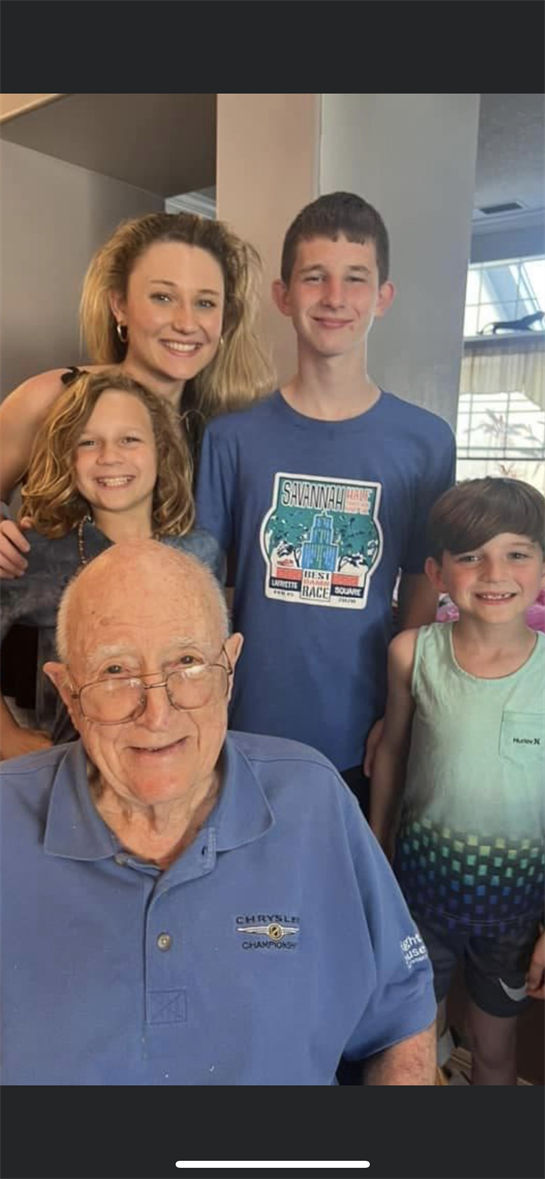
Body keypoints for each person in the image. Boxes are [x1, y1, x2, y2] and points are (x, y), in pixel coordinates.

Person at [0, 541, 436, 1086]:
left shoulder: (313, 800)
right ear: (69, 692)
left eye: (187, 663)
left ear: (228, 668)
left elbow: (402, 1019)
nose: (157, 714)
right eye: (115, 671)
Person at [195, 191, 456, 810]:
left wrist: (398, 710)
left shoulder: (425, 442)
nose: (335, 297)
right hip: (241, 727)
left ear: (382, 298)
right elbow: (204, 588)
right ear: (284, 296)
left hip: (360, 732)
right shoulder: (231, 437)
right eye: (315, 278)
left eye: (355, 279)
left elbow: (423, 583)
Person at [370, 477, 545, 1085]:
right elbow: (391, 754)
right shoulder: (410, 653)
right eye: (470, 555)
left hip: (517, 914)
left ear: (543, 568)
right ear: (437, 573)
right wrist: (377, 860)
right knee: (415, 1048)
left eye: (517, 553)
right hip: (420, 899)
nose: (494, 571)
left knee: (495, 1054)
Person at [0, 209, 274, 577]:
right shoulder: (50, 397)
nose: (186, 323)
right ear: (120, 305)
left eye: (205, 302)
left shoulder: (226, 433)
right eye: (163, 297)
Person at [0, 369, 223, 760]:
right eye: (88, 442)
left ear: (161, 449)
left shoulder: (200, 553)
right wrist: (5, 735)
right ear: (66, 456)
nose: (110, 457)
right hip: (67, 772)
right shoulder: (38, 555)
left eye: (130, 439)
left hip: (177, 764)